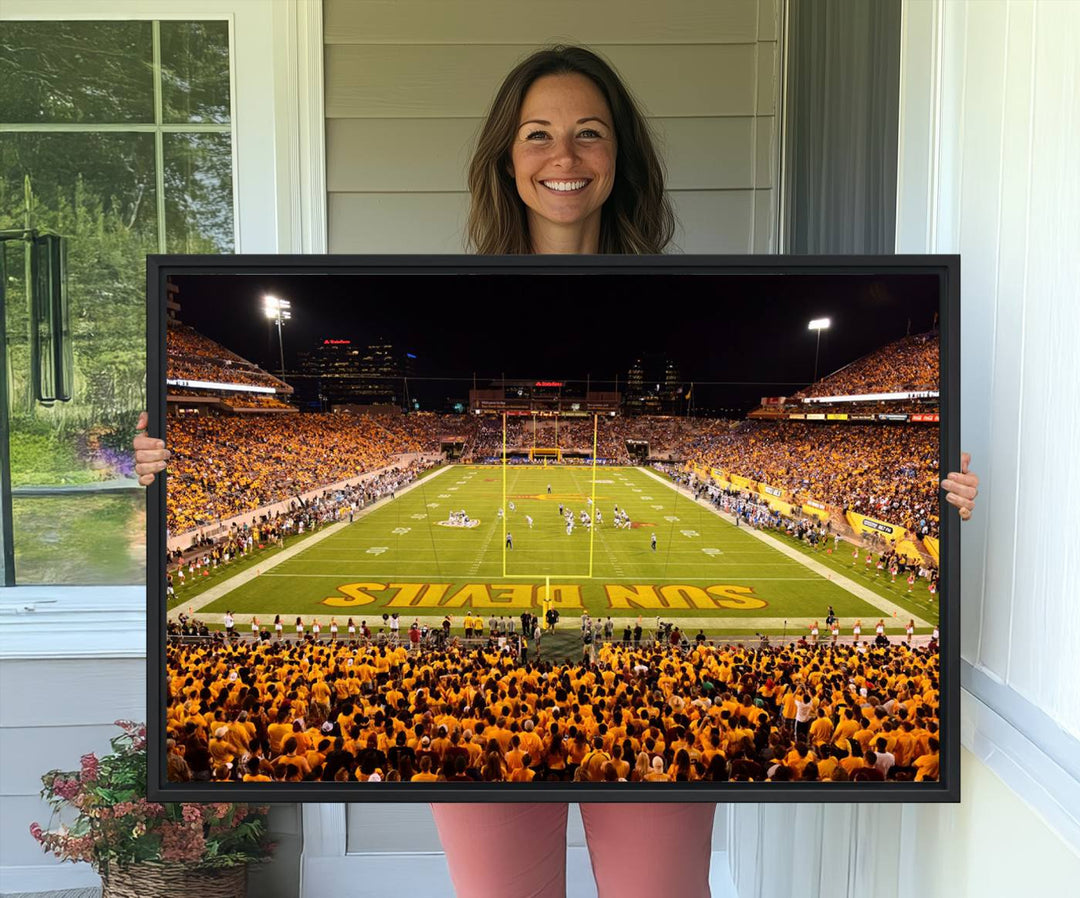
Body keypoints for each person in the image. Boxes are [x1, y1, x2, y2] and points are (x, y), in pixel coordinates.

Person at [134, 43, 981, 898]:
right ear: (506, 157)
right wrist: (159, 467)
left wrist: (944, 494)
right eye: (537, 134)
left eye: (590, 133)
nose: (563, 157)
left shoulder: (672, 285)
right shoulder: (453, 279)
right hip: (487, 726)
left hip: (645, 719)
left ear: (622, 158)